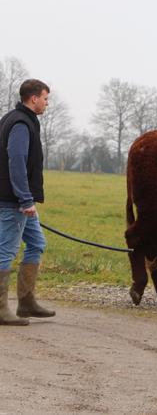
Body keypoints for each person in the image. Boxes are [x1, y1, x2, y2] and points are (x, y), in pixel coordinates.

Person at [0, 79, 55, 326]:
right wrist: (24, 199)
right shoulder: (20, 123)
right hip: (14, 200)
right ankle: (1, 309)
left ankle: (26, 301)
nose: (46, 103)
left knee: (37, 243)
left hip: (21, 199)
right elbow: (17, 161)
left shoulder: (17, 119)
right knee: (6, 251)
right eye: (45, 98)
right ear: (33, 98)